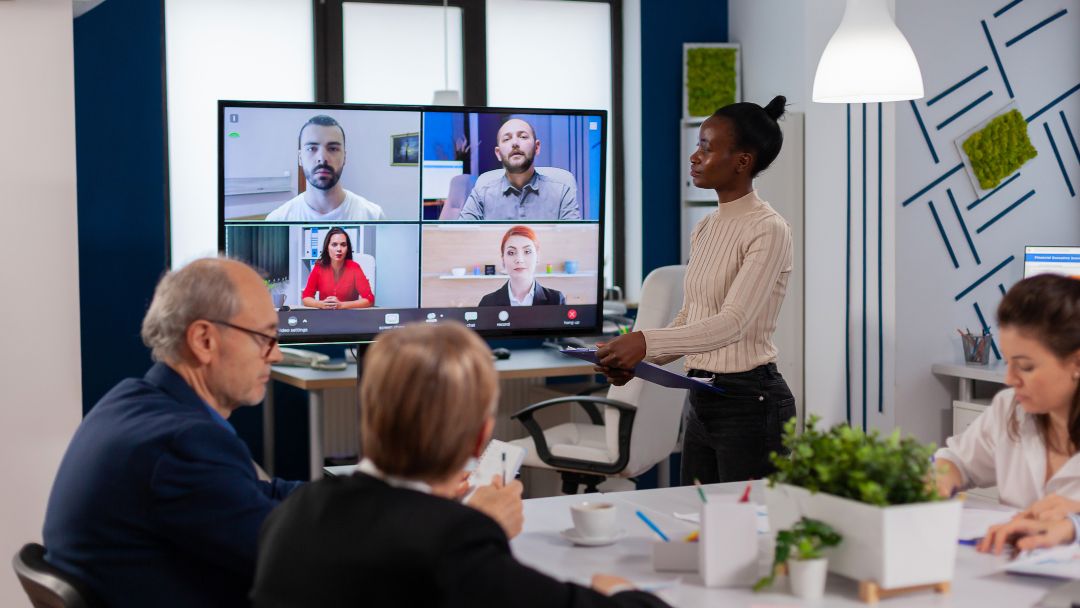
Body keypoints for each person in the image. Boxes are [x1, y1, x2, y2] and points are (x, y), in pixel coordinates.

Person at [250, 323, 670, 608]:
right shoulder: (456, 545)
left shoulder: (291, 514)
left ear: (369, 416)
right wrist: (616, 591)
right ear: (478, 436)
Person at [42, 258, 303, 607]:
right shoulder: (184, 443)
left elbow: (253, 494)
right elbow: (288, 560)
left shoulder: (132, 401)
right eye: (265, 338)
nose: (277, 355)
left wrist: (351, 496)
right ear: (203, 340)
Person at [594, 96, 794, 485]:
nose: (694, 156)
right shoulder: (705, 227)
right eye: (697, 145)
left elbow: (731, 324)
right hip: (701, 396)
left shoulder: (768, 228)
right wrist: (638, 363)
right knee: (697, 521)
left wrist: (644, 342)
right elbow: (692, 319)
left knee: (746, 534)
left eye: (706, 147)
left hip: (751, 403)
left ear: (742, 161)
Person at [930, 275, 1080, 554]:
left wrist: (1074, 525)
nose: (1009, 379)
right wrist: (940, 477)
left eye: (1025, 366)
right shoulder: (1010, 408)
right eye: (1008, 362)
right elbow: (958, 460)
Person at [265, 114, 386, 221]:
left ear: (345, 157)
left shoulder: (373, 216)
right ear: (300, 158)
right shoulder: (278, 220)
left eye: (333, 148)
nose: (322, 158)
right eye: (312, 148)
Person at [458, 117, 580, 221]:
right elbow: (461, 236)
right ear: (498, 153)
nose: (515, 143)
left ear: (537, 147)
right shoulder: (482, 193)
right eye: (507, 139)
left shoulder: (562, 191)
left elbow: (575, 240)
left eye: (523, 137)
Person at [478, 225, 565, 307]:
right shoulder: (487, 302)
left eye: (527, 252)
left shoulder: (556, 300)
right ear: (503, 259)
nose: (519, 259)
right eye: (511, 253)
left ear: (537, 257)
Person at [301, 227, 374, 309]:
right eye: (334, 245)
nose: (339, 249)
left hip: (350, 317)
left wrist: (342, 305)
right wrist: (321, 304)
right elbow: (306, 297)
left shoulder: (354, 268)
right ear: (327, 248)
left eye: (343, 245)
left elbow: (369, 299)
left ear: (347, 248)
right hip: (325, 316)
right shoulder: (319, 267)